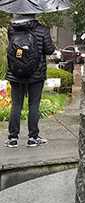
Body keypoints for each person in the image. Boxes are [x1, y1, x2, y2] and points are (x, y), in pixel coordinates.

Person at [5, 14, 55, 147]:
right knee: (34, 105)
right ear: (34, 13)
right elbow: (49, 50)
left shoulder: (12, 29)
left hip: (15, 74)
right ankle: (33, 138)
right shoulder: (42, 30)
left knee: (16, 105)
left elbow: (14, 50)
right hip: (36, 75)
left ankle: (13, 138)